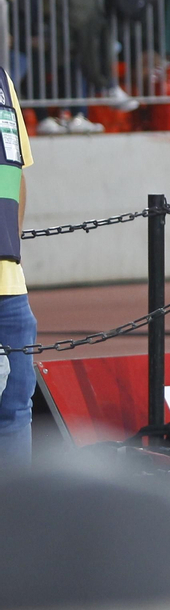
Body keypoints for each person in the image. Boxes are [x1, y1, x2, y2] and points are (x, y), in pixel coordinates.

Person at [0, 57, 35, 465]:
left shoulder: (3, 81)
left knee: (15, 409)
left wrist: (14, 248)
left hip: (10, 287)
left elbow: (17, 173)